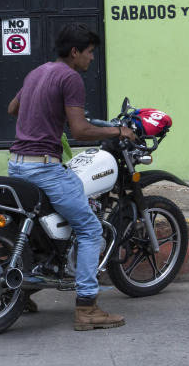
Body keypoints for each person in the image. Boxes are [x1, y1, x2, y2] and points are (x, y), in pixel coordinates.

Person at [7, 22, 136, 331]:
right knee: (91, 229)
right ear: (75, 52)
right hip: (44, 168)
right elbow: (79, 130)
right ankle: (87, 308)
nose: (92, 58)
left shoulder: (37, 73)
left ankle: (20, 294)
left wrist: (48, 114)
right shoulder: (70, 77)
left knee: (39, 231)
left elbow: (14, 109)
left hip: (17, 164)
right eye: (90, 53)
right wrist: (119, 131)